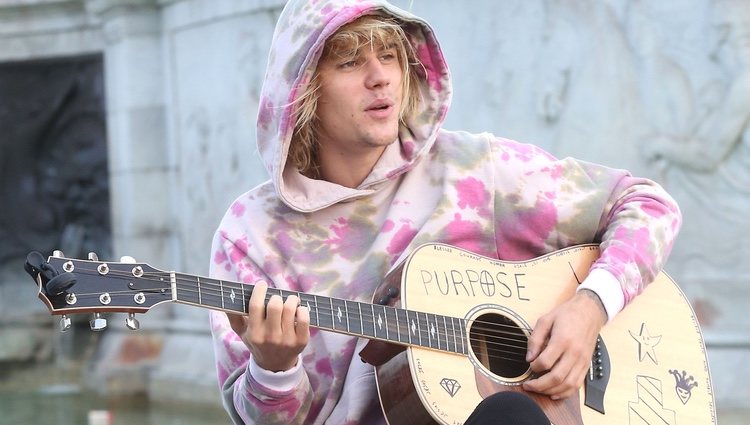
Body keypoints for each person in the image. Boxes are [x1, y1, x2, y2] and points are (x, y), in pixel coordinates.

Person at [208, 0, 681, 424]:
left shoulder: (475, 171)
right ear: (302, 91)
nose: (381, 77)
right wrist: (274, 371)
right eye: (351, 62)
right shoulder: (250, 234)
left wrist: (590, 307)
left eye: (390, 56)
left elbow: (647, 205)